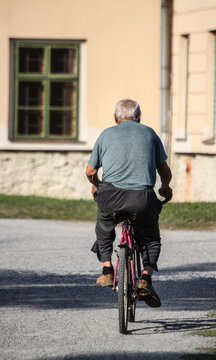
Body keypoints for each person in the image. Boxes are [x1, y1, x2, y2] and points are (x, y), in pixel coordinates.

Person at [85, 99, 172, 308]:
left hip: (111, 196)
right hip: (142, 198)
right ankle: (145, 278)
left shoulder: (106, 134)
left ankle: (107, 270)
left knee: (104, 224)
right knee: (150, 236)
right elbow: (164, 170)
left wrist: (96, 185)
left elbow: (90, 171)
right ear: (139, 118)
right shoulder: (150, 133)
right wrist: (165, 187)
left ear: (116, 118)